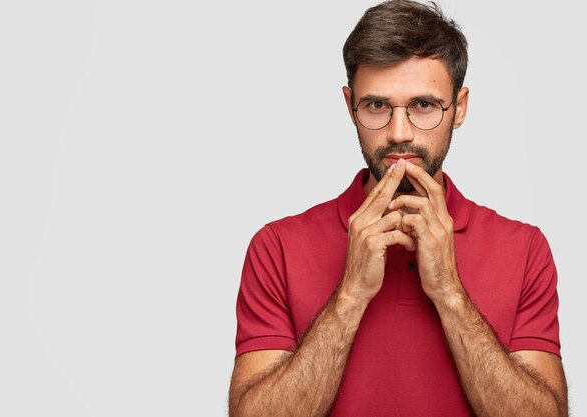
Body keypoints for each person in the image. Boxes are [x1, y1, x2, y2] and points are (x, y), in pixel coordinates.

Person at [228, 1, 568, 416]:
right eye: (377, 106)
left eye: (424, 105)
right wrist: (350, 293)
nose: (399, 132)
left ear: (458, 107)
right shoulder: (276, 246)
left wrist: (448, 291)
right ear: (349, 105)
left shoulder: (524, 247)